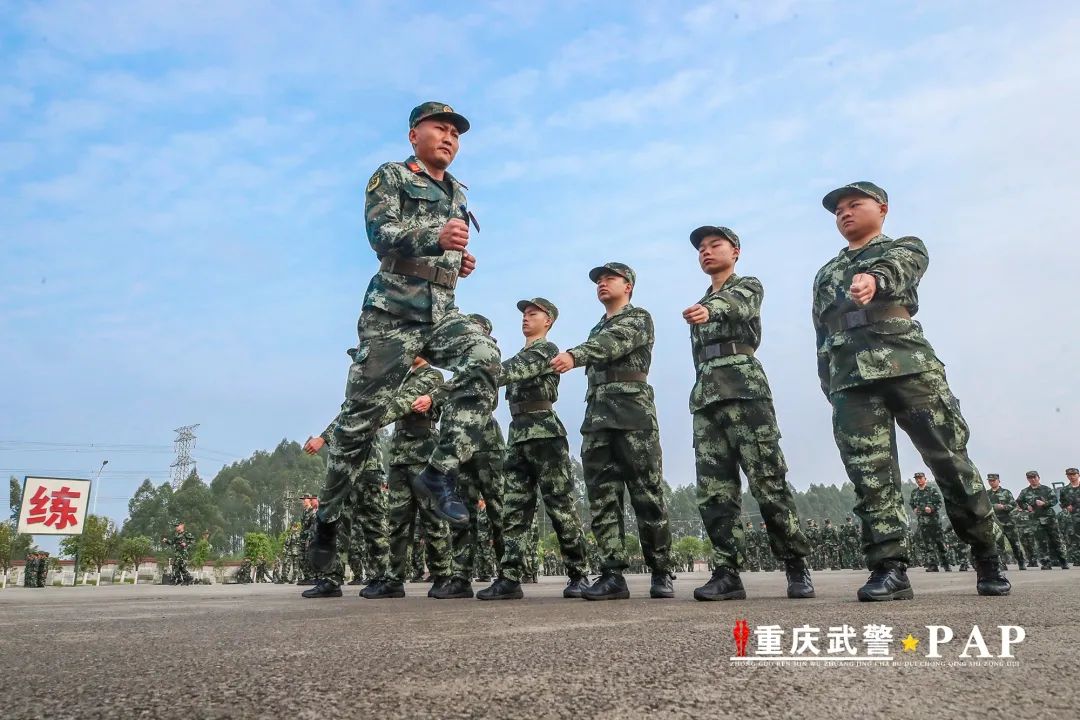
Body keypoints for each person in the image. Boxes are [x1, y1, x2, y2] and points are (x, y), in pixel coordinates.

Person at [306, 102, 501, 576]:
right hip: (392, 316)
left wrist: (455, 264)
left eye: (456, 132)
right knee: (356, 426)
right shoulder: (390, 176)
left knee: (485, 357)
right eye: (441, 128)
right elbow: (381, 233)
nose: (450, 137)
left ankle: (438, 473)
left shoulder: (458, 191)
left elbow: (444, 247)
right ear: (415, 135)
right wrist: (437, 236)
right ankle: (327, 522)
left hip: (440, 314)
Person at [812, 181, 1008, 600]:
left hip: (907, 367)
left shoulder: (904, 246)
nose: (844, 213)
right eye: (838, 210)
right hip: (851, 380)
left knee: (950, 462)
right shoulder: (826, 274)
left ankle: (987, 555)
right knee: (871, 477)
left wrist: (874, 280)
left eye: (854, 204)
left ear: (881, 209)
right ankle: (890, 568)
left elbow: (900, 267)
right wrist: (829, 383)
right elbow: (820, 333)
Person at [680, 225, 813, 601]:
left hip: (745, 392)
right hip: (707, 398)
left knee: (767, 481)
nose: (706, 252)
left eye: (714, 245)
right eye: (701, 248)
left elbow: (738, 305)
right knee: (714, 492)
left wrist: (710, 309)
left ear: (735, 251)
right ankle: (726, 573)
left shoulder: (747, 286)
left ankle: (796, 566)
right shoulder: (700, 303)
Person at [551, 262, 674, 600]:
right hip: (598, 419)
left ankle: (661, 571)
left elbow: (611, 344)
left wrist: (574, 356)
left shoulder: (638, 318)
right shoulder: (596, 328)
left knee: (646, 495)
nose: (602, 284)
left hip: (633, 416)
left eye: (610, 278)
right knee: (603, 500)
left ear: (628, 285)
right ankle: (612, 574)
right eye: (599, 280)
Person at [477, 298, 592, 600]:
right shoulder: (519, 355)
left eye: (533, 314)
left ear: (548, 321)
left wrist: (476, 375)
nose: (526, 318)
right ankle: (510, 577)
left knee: (560, 506)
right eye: (524, 314)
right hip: (518, 434)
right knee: (514, 509)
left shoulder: (546, 350)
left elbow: (508, 372)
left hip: (544, 434)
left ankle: (579, 574)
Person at [366, 357, 453, 599]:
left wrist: (372, 417)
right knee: (397, 522)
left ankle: (443, 575)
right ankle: (394, 580)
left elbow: (403, 401)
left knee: (432, 518)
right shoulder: (402, 377)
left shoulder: (432, 375)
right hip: (399, 455)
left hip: (423, 454)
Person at [300, 424, 389, 599]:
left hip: (366, 464)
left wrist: (323, 437)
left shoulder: (368, 396)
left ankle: (382, 578)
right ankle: (332, 579)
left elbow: (354, 416)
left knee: (373, 523)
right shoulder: (352, 397)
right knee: (338, 522)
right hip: (344, 468)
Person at [1016, 471, 1068, 569]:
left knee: (1056, 540)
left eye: (1034, 477)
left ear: (1038, 478)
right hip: (1035, 519)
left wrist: (1045, 503)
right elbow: (1019, 502)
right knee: (1041, 542)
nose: (1033, 479)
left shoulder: (1046, 489)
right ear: (1028, 479)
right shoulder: (1025, 492)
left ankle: (1063, 561)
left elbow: (1054, 500)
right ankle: (1046, 563)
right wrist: (1027, 507)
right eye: (1030, 478)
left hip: (1049, 518)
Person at [909, 472, 950, 572]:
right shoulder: (915, 492)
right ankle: (933, 565)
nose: (918, 480)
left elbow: (939, 502)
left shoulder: (932, 490)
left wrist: (931, 508)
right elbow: (912, 503)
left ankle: (946, 564)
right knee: (928, 544)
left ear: (925, 479)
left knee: (940, 542)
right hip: (922, 522)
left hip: (934, 522)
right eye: (916, 479)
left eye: (920, 478)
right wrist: (914, 509)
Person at [986, 473, 1026, 570]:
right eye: (990, 481)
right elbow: (985, 507)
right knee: (998, 545)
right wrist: (993, 507)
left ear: (998, 481)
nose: (991, 482)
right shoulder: (987, 494)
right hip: (995, 523)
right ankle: (1001, 564)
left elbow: (1013, 505)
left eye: (993, 480)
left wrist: (1004, 507)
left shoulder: (1006, 492)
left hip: (1008, 522)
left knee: (1015, 543)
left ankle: (1021, 562)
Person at [162, 521, 194, 586]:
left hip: (183, 553)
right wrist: (166, 541)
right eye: (175, 526)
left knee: (178, 566)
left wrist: (186, 544)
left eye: (177, 526)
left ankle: (183, 578)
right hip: (177, 553)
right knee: (178, 567)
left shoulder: (186, 534)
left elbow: (192, 542)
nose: (176, 527)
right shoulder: (176, 535)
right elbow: (172, 543)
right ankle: (183, 579)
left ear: (182, 525)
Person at [1060, 467, 1080, 565]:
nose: (1072, 476)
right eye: (1069, 475)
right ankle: (1077, 559)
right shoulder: (1065, 490)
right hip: (1073, 517)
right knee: (1074, 538)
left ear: (1078, 475)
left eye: (1074, 474)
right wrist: (1067, 506)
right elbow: (1062, 502)